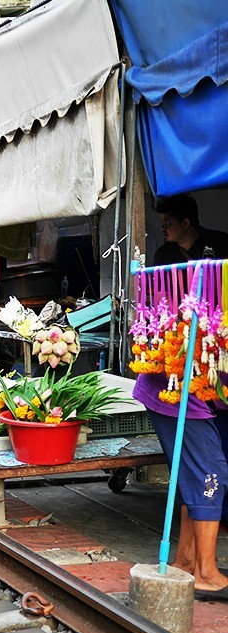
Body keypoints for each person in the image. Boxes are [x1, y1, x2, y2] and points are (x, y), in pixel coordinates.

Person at [132, 214, 228, 600]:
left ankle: (186, 561)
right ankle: (205, 573)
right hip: (176, 387)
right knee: (209, 471)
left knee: (194, 473)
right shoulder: (193, 287)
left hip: (205, 390)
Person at [153, 194, 228, 266]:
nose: (162, 228)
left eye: (167, 223)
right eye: (161, 223)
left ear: (185, 223)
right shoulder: (163, 255)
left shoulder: (221, 243)